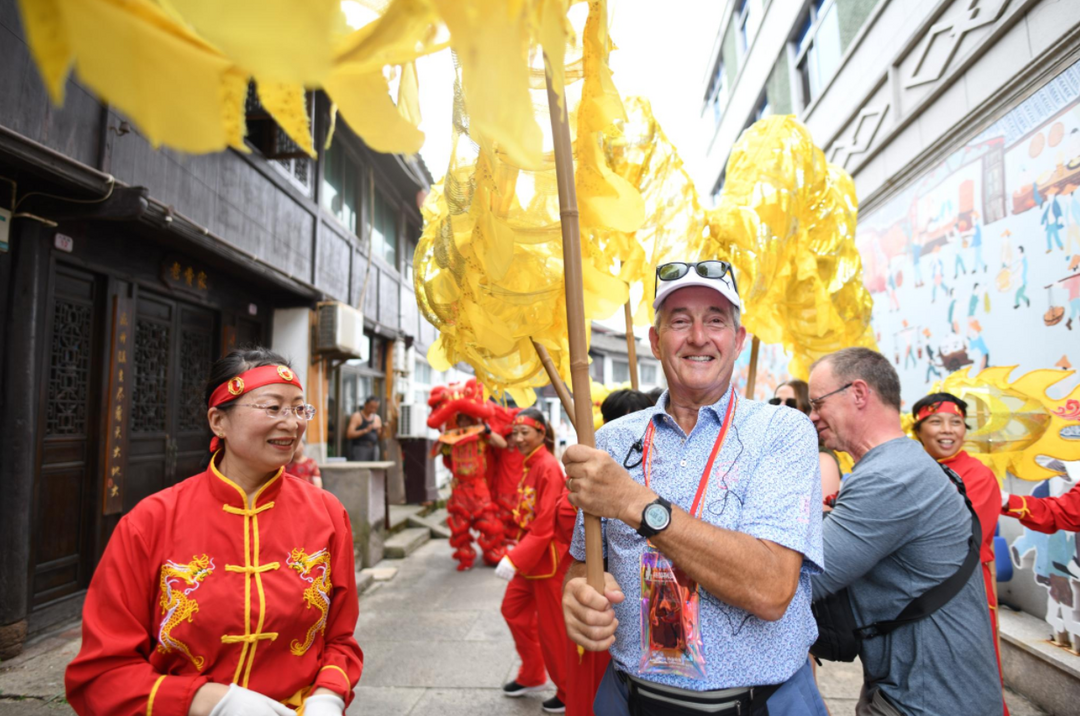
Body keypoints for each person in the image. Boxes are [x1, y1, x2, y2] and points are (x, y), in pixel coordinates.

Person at [562, 259, 826, 715]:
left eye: (716, 321)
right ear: (655, 340)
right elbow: (583, 564)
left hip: (761, 704)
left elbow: (770, 590)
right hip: (629, 698)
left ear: (738, 341)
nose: (698, 337)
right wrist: (580, 596)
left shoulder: (784, 432)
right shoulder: (611, 441)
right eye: (680, 321)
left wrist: (634, 502)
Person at [65, 348, 362, 716]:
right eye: (273, 408)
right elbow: (101, 675)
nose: (291, 423)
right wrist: (207, 702)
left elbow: (340, 640)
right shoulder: (150, 521)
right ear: (218, 421)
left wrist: (328, 696)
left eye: (299, 408)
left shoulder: (328, 514)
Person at [808, 347, 1002, 716]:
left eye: (818, 403)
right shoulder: (901, 465)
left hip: (930, 702)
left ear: (859, 393)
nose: (813, 415)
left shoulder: (890, 477)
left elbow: (800, 577)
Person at [911, 392, 1008, 711]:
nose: (947, 430)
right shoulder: (909, 467)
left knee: (972, 685)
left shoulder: (977, 475)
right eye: (936, 422)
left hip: (965, 594)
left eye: (956, 422)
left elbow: (958, 539)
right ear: (918, 429)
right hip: (916, 595)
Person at [496, 408, 571, 713]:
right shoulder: (531, 464)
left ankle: (568, 691)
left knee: (553, 630)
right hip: (531, 559)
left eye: (524, 432)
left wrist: (515, 558)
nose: (518, 438)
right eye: (515, 432)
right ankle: (532, 673)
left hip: (547, 560)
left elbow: (545, 522)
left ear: (542, 432)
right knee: (512, 609)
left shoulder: (548, 466)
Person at [442, 412, 508, 570]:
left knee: (488, 520)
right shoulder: (451, 438)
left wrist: (487, 430)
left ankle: (493, 553)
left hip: (478, 486)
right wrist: (444, 434)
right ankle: (465, 556)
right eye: (461, 420)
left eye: (467, 419)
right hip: (459, 488)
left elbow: (502, 444)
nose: (465, 423)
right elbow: (435, 452)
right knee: (460, 525)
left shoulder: (481, 435)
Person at [772, 379, 842, 505]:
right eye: (775, 402)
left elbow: (823, 517)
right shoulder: (769, 453)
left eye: (790, 403)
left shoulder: (822, 460)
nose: (780, 407)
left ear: (807, 410)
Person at [346, 397, 382, 462]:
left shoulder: (377, 418)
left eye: (375, 408)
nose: (373, 410)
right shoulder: (357, 416)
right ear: (365, 404)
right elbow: (349, 434)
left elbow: (380, 437)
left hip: (374, 448)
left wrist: (383, 430)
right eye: (371, 407)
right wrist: (365, 430)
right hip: (360, 448)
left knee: (374, 470)